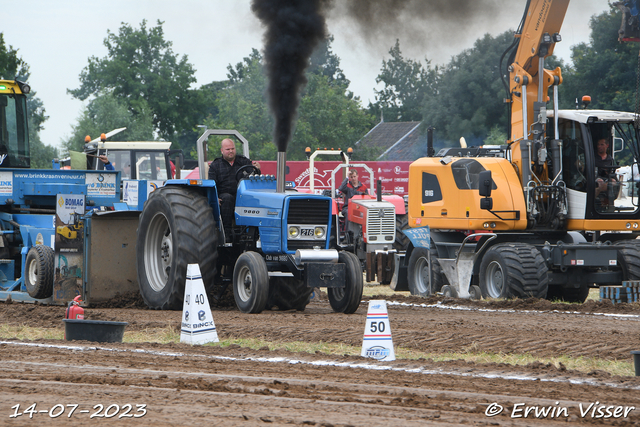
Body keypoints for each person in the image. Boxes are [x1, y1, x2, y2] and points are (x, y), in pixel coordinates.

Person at [208, 138, 261, 233]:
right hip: (224, 195)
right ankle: (226, 232)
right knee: (227, 198)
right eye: (228, 149)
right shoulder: (215, 165)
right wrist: (215, 197)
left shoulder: (244, 162)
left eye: (232, 148)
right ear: (222, 151)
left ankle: (251, 231)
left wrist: (257, 170)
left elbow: (253, 176)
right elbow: (212, 184)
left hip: (242, 194)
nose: (231, 151)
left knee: (250, 199)